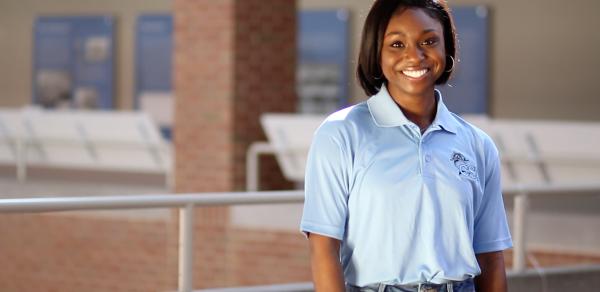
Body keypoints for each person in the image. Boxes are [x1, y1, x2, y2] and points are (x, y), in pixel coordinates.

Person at [300, 0, 513, 291]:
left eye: (429, 41)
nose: (415, 56)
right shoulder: (340, 134)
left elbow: (490, 257)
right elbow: (323, 249)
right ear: (376, 52)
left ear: (447, 49)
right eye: (397, 44)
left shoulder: (477, 144)